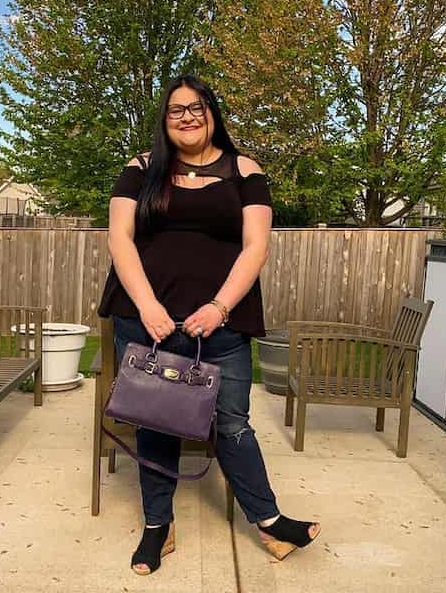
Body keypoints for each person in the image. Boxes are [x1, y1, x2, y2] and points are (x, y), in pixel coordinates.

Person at [97, 74, 321, 576]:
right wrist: (150, 306)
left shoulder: (245, 170)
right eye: (177, 109)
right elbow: (120, 240)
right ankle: (158, 525)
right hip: (147, 319)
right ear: (164, 118)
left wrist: (219, 306)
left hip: (222, 323)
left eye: (198, 107)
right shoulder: (140, 169)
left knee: (232, 422)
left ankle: (267, 520)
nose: (188, 116)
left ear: (213, 112)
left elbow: (256, 247)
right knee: (156, 421)